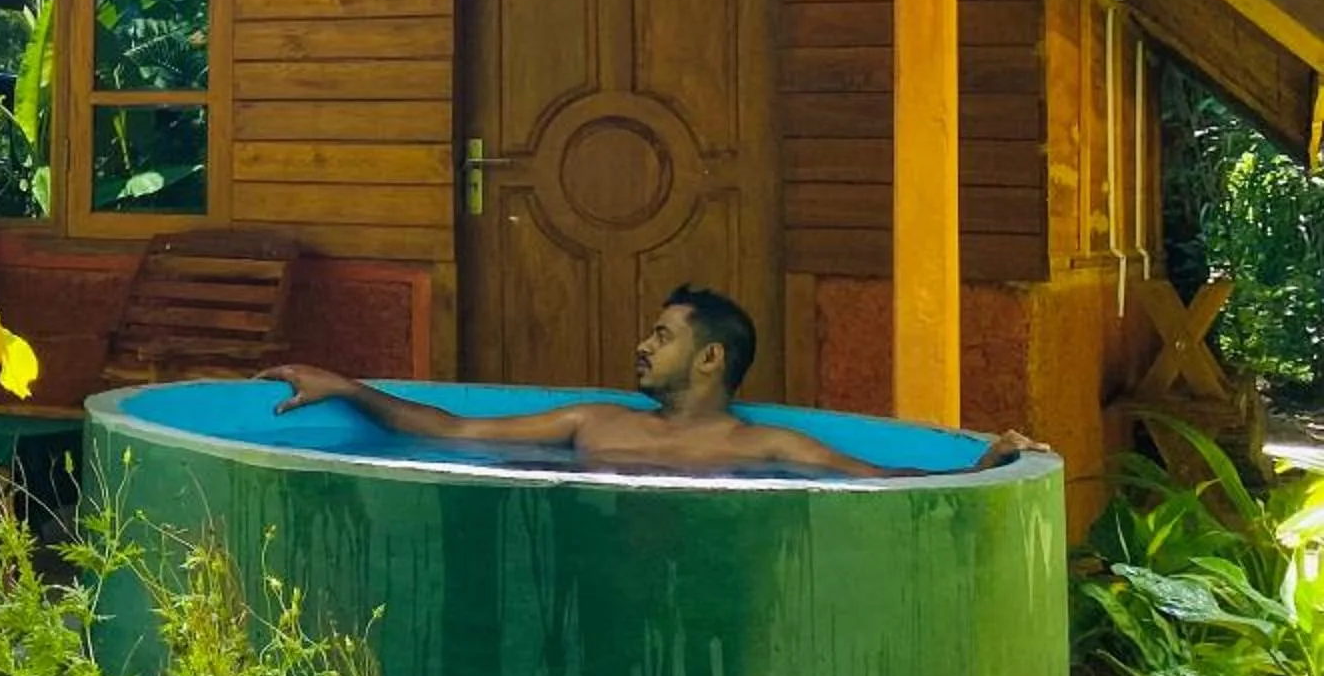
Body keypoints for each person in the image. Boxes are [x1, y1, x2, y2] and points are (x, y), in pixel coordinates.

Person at [269, 285, 1039, 477]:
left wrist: (984, 467)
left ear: (710, 359)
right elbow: (455, 431)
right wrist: (349, 388)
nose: (642, 346)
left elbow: (881, 481)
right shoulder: (592, 423)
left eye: (662, 337)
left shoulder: (765, 446)